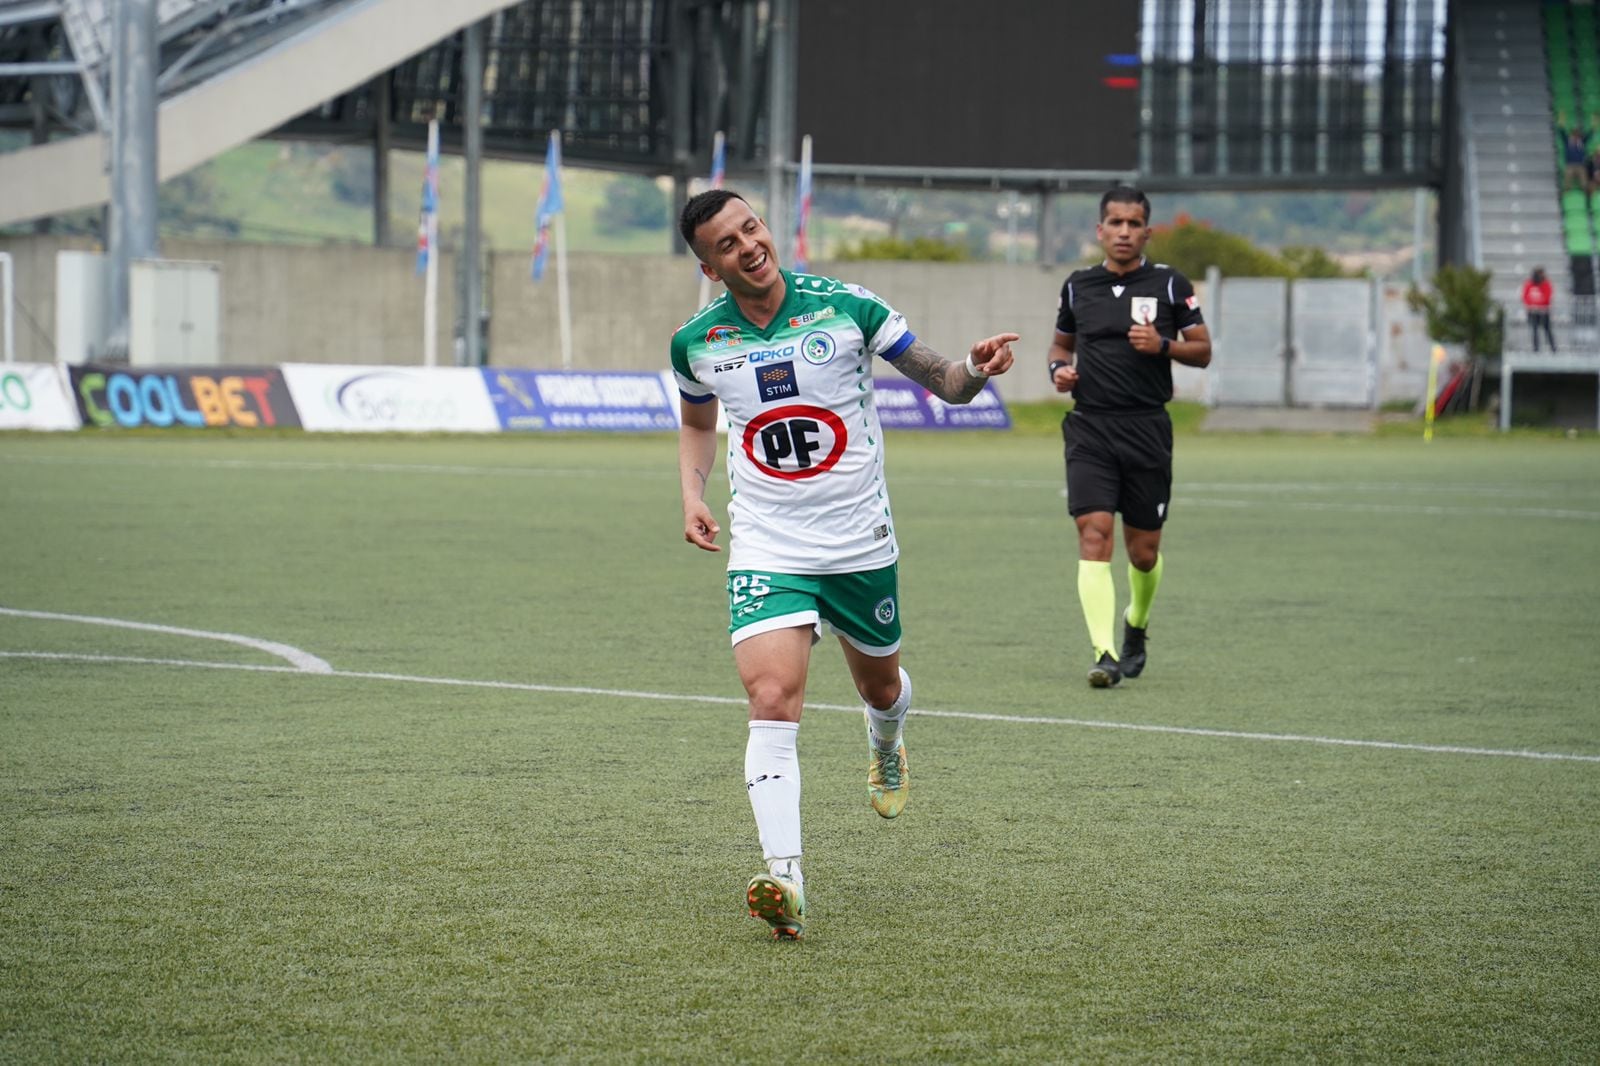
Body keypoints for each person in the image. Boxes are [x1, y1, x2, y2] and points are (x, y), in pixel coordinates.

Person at [672, 188, 1017, 940]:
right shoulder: (696, 342)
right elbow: (698, 422)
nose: (749, 246)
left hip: (859, 544)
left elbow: (946, 383)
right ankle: (785, 879)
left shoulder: (848, 307)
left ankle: (886, 740)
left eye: (751, 228)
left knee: (882, 684)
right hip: (767, 543)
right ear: (709, 266)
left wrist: (977, 367)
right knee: (771, 696)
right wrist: (693, 493)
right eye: (727, 244)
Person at [1047, 186, 1212, 688]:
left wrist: (1163, 345)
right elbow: (1060, 345)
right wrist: (1059, 370)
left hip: (1147, 429)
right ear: (1100, 230)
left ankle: (1136, 623)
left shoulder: (1168, 285)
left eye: (1133, 223)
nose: (1123, 231)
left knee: (1143, 552)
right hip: (1090, 428)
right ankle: (1105, 652)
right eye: (1114, 223)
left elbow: (1202, 350)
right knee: (1094, 535)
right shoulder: (1078, 286)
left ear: (1147, 231)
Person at [1522, 266, 1556, 352]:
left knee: (1547, 330)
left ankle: (1553, 348)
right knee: (1534, 330)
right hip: (1533, 311)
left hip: (1544, 312)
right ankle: (1536, 349)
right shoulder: (1529, 284)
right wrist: (1531, 305)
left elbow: (1548, 296)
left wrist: (1540, 305)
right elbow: (1525, 296)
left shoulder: (1546, 284)